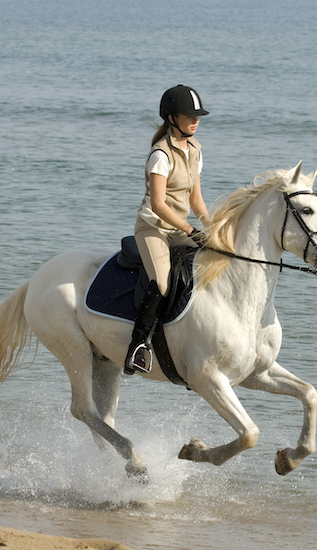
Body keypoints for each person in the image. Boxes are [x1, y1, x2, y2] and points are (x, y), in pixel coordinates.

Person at [124, 85, 211, 375]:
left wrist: (213, 228)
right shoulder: (161, 154)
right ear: (172, 118)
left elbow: (196, 199)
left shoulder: (195, 149)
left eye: (198, 116)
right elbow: (159, 205)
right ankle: (138, 346)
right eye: (190, 116)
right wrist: (190, 228)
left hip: (178, 229)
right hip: (153, 228)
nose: (195, 120)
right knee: (161, 284)